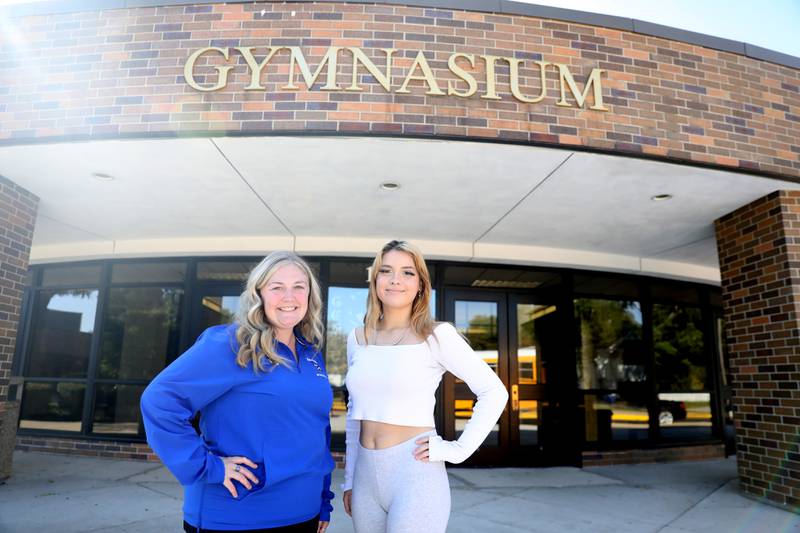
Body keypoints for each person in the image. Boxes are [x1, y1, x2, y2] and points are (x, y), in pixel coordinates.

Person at [141, 251, 335, 533]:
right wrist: (207, 467)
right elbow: (159, 401)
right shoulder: (231, 344)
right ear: (259, 294)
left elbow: (318, 429)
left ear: (310, 295)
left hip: (304, 513)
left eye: (299, 287)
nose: (289, 297)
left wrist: (323, 499)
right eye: (277, 287)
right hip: (237, 517)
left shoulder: (310, 354)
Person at [342, 240, 508, 533]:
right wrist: (350, 479)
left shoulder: (437, 335)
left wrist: (458, 450)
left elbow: (494, 391)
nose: (395, 279)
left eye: (408, 272)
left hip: (414, 474)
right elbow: (355, 412)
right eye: (386, 270)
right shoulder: (357, 338)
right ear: (375, 280)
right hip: (366, 477)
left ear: (421, 284)